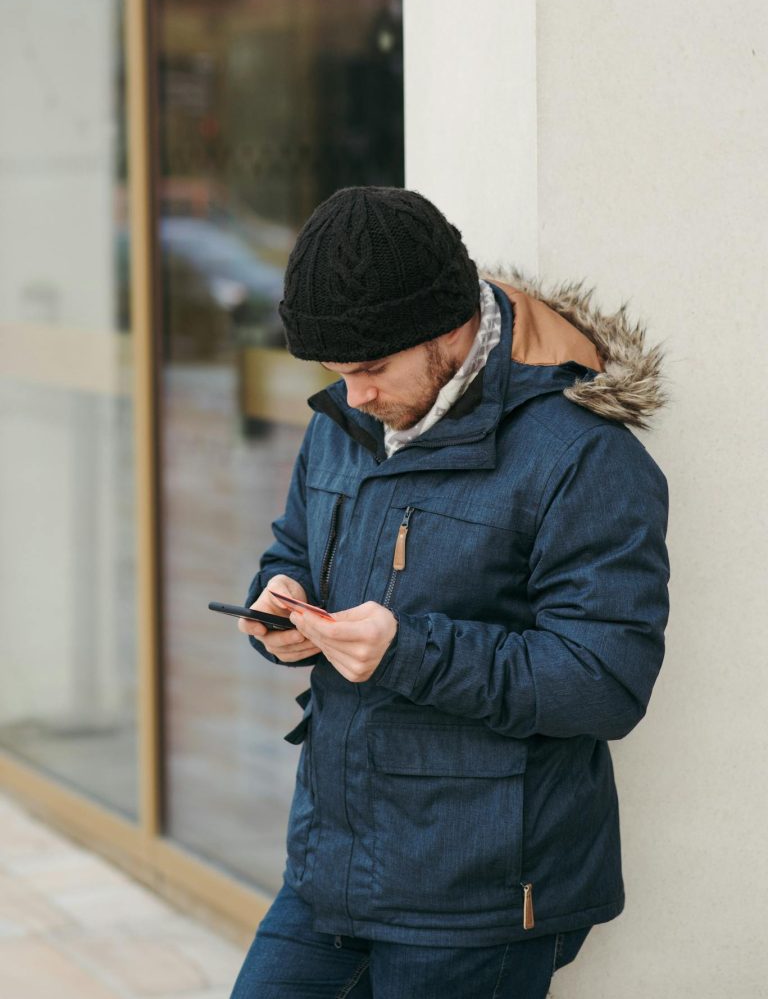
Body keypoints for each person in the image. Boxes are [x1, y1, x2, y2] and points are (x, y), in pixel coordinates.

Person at [229, 186, 670, 999]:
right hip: (332, 867)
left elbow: (605, 681)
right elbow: (292, 544)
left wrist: (406, 651)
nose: (352, 394)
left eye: (369, 370)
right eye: (335, 372)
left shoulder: (581, 455)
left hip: (478, 898)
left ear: (446, 329)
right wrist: (280, 598)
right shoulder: (348, 418)